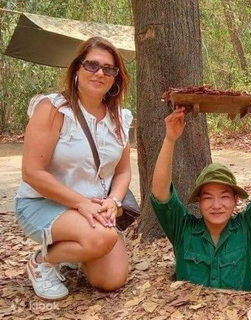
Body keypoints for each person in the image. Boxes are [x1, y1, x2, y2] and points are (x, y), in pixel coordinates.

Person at [14, 37, 133, 300]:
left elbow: (123, 172)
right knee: (102, 239)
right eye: (92, 65)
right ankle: (42, 261)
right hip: (43, 203)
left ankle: (76, 249)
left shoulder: (120, 119)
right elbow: (32, 172)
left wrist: (113, 200)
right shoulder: (53, 109)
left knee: (111, 280)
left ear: (116, 78)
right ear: (77, 69)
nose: (100, 73)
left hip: (93, 208)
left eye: (108, 69)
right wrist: (80, 203)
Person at [151, 107, 251, 291]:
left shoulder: (248, 228)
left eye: (224, 197)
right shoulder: (183, 229)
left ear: (235, 200)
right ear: (199, 201)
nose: (216, 205)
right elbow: (160, 194)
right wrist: (169, 139)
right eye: (208, 198)